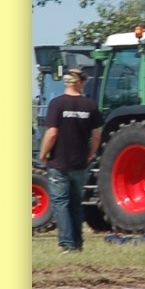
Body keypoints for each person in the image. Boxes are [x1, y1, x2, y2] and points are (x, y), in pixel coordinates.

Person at [38, 68, 104, 254]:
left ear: (66, 83)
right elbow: (97, 136)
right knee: (76, 203)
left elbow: (52, 133)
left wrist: (43, 154)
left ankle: (67, 244)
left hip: (59, 163)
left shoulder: (57, 104)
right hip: (79, 164)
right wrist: (90, 154)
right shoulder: (90, 105)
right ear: (80, 83)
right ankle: (78, 243)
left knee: (60, 203)